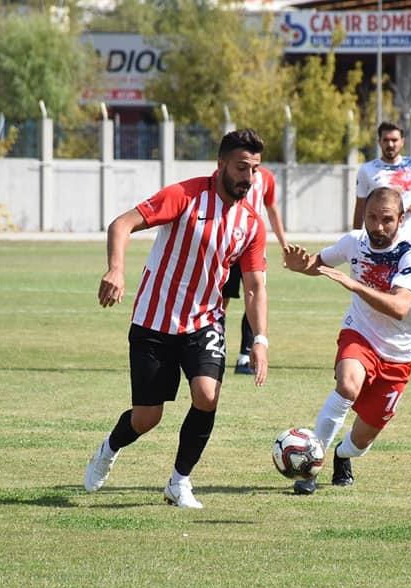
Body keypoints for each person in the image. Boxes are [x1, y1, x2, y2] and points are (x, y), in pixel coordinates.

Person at [84, 128, 271, 509]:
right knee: (147, 417)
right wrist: (116, 270)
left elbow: (254, 286)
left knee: (207, 395)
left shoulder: (251, 223)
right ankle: (109, 447)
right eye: (241, 168)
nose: (248, 179)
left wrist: (260, 340)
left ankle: (179, 481)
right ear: (220, 164)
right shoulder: (184, 196)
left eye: (254, 170)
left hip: (204, 321)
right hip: (154, 321)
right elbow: (121, 224)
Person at [282, 187, 411, 495]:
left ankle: (341, 455)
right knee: (347, 385)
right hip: (359, 333)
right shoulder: (353, 242)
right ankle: (310, 468)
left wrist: (354, 285)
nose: (377, 226)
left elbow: (400, 307)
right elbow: (318, 263)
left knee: (361, 442)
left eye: (386, 219)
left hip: (399, 352)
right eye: (371, 217)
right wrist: (300, 266)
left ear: (400, 219)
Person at [221, 165, 287, 374]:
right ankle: (215, 350)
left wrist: (284, 244)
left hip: (253, 248)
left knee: (255, 297)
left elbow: (272, 209)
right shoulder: (229, 175)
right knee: (220, 301)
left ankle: (244, 356)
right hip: (228, 246)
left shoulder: (267, 178)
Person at [353, 121, 411, 237]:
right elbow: (360, 207)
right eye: (386, 140)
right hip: (376, 236)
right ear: (379, 142)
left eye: (394, 140)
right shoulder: (367, 169)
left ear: (402, 142)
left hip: (405, 236)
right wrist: (355, 237)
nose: (390, 144)